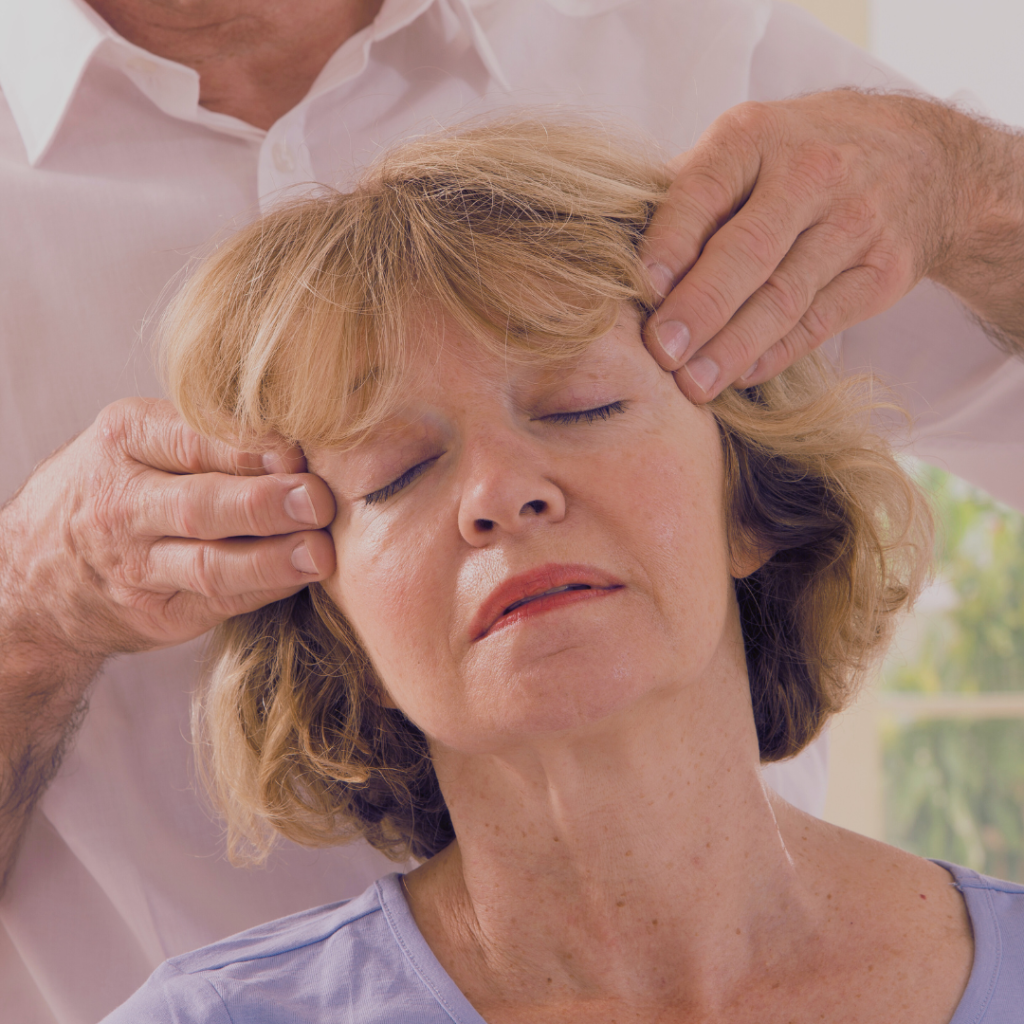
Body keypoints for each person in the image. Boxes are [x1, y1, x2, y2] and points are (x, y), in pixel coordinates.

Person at [4, 2, 1024, 1020]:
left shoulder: (697, 47)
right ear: (337, 632)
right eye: (395, 474)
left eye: (583, 406)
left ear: (753, 505)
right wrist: (24, 606)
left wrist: (974, 189)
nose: (499, 495)